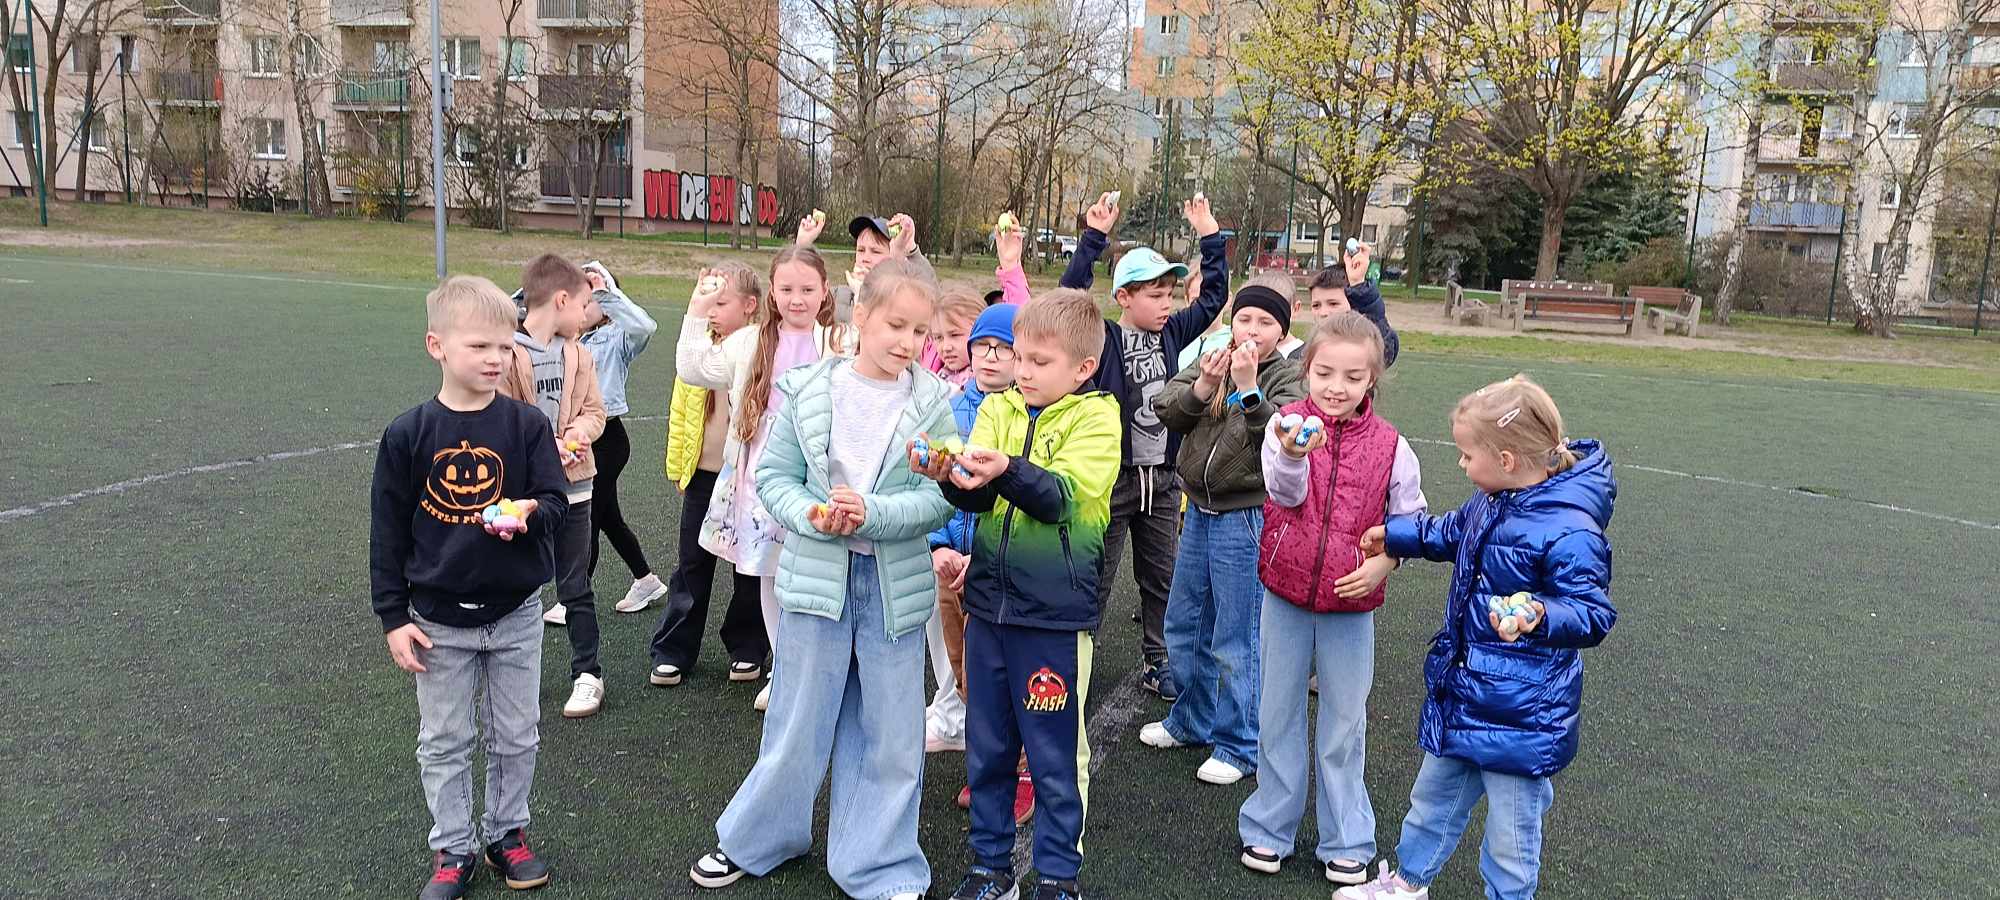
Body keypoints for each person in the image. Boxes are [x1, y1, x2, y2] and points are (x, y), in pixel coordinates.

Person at [687, 259, 958, 900]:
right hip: (816, 581)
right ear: (860, 315)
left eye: (920, 331)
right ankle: (759, 840)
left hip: (894, 590)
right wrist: (812, 514)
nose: (908, 342)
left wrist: (875, 513)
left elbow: (939, 497)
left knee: (891, 735)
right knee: (797, 720)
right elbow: (774, 478)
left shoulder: (932, 402)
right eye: (896, 325)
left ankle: (878, 863)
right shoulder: (811, 389)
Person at [1339, 375, 1617, 900]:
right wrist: (1396, 535)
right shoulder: (1491, 500)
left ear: (1507, 459)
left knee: (1512, 836)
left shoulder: (1571, 529)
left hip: (1522, 714)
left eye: (1468, 455)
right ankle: (1408, 883)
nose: (1462, 464)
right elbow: (1449, 532)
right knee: (1432, 802)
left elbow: (1592, 611)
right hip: (1466, 692)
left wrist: (1541, 613)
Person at [370, 275, 569, 900]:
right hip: (437, 621)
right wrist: (393, 616)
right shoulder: (409, 434)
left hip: (515, 613)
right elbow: (387, 532)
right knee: (445, 740)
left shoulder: (527, 425)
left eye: (505, 347)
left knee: (517, 734)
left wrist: (530, 512)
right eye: (480, 346)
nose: (495, 359)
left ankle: (506, 835)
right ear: (437, 345)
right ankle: (453, 847)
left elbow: (556, 500)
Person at [923, 289, 1122, 900]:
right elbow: (981, 496)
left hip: (1052, 622)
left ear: (1083, 368)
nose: (1023, 371)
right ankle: (990, 868)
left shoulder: (1098, 418)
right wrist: (950, 476)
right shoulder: (999, 406)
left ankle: (1059, 876)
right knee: (987, 750)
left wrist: (1005, 468)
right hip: (988, 609)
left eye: (1039, 361)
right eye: (1019, 357)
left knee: (1054, 757)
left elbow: (1060, 498)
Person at [1236, 312, 1427, 885]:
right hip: (1286, 595)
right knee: (1277, 714)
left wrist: (1384, 563)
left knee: (1345, 723)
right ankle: (1270, 826)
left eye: (1352, 376)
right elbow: (1284, 494)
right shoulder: (1284, 426)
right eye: (1324, 373)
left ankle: (1347, 837)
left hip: (1351, 606)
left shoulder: (1393, 446)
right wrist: (1294, 454)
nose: (1336, 387)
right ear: (1306, 370)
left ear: (1373, 380)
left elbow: (1410, 521)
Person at [1056, 192, 1230, 699]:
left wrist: (1209, 235)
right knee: (1096, 575)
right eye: (1155, 294)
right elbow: (1067, 300)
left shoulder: (1173, 333)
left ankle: (1159, 658)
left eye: (1170, 293)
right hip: (1113, 481)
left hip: (1164, 481)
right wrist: (1094, 238)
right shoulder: (1104, 338)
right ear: (1124, 297)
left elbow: (1214, 297)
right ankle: (1075, 658)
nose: (1166, 304)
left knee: (1162, 577)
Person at [1136, 281, 1305, 785]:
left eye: (1266, 323)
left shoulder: (1287, 375)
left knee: (1236, 634)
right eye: (1245, 319)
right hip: (1199, 510)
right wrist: (1205, 385)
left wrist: (1249, 388)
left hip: (1246, 516)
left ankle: (1238, 743)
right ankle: (1191, 720)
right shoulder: (1214, 356)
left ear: (1282, 331)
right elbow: (1166, 408)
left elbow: (1283, 435)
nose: (1252, 330)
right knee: (1184, 622)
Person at [676, 248, 854, 711]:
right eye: (787, 289)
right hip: (760, 478)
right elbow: (693, 367)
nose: (797, 299)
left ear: (825, 291)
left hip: (816, 479)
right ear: (772, 292)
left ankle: (818, 668)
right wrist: (697, 308)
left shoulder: (837, 341)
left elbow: (881, 342)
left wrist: (874, 282)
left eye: (808, 289)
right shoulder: (750, 342)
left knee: (811, 575)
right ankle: (783, 668)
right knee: (769, 573)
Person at [924, 218, 1032, 756]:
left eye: (1003, 348)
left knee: (1002, 671)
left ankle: (1008, 760)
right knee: (960, 663)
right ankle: (979, 750)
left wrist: (982, 554)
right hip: (951, 562)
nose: (989, 356)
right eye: (981, 345)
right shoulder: (947, 407)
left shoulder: (1027, 415)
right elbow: (935, 484)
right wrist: (938, 545)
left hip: (996, 568)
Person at [650, 262, 771, 687]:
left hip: (746, 480)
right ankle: (674, 650)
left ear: (750, 305)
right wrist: (678, 465)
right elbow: (681, 413)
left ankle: (747, 647)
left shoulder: (760, 348)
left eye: (721, 302)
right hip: (703, 476)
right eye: (707, 302)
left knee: (749, 567)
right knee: (692, 564)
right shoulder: (698, 348)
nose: (712, 312)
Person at [500, 253, 608, 719]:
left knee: (575, 584)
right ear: (561, 300)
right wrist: (545, 449)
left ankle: (588, 674)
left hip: (576, 490)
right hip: (525, 495)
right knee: (518, 584)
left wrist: (577, 435)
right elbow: (499, 419)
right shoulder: (505, 353)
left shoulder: (580, 354)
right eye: (583, 305)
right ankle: (508, 671)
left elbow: (596, 412)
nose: (586, 316)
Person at [569, 262, 666, 614]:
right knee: (608, 517)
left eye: (591, 301)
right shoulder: (569, 340)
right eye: (578, 300)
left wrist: (607, 293)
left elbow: (645, 327)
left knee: (588, 517)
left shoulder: (616, 338)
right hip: (580, 441)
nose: (583, 308)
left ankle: (574, 595)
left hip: (608, 440)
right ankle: (646, 580)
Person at [1296, 243, 1400, 367]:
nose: (1323, 312)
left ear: (1353, 304)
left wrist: (1358, 285)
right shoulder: (1310, 349)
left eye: (1333, 303)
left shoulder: (1363, 344)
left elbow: (1383, 350)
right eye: (1316, 305)